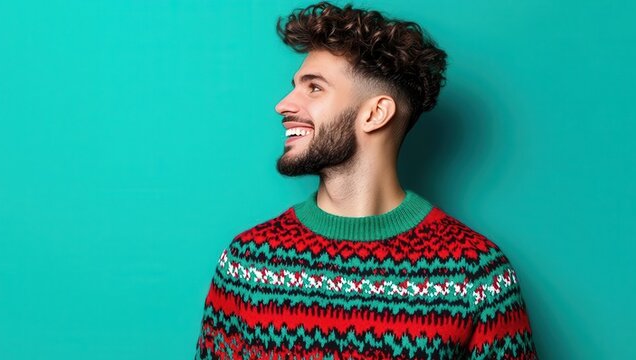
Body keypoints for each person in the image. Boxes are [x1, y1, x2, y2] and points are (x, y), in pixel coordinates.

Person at [193, 2, 538, 359]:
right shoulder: (248, 262)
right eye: (295, 86)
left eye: (314, 88)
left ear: (375, 113)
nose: (283, 104)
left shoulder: (476, 273)